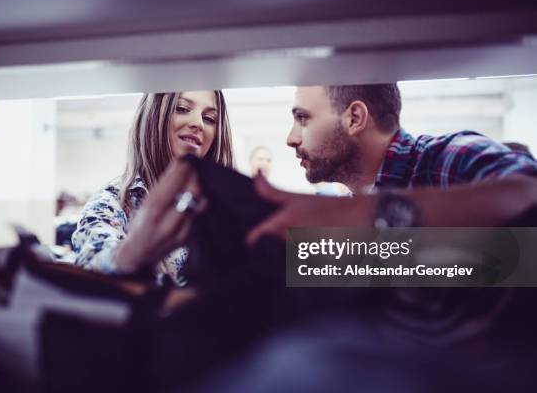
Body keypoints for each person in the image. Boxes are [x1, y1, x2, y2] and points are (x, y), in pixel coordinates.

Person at [246, 83, 537, 243]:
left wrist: (368, 215)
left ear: (354, 118)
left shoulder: (449, 156)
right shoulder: (353, 202)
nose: (291, 138)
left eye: (303, 118)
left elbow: (530, 192)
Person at [72, 91, 234, 285]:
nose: (198, 123)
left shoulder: (223, 209)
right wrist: (132, 252)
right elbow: (89, 271)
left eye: (209, 118)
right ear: (155, 115)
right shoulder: (111, 203)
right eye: (182, 109)